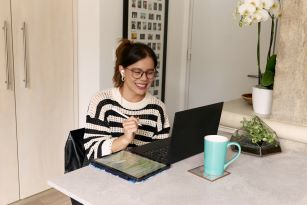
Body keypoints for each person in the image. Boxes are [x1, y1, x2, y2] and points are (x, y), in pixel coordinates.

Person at [84, 39, 170, 160]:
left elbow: (161, 156)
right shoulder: (102, 102)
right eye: (137, 72)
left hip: (143, 175)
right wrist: (125, 139)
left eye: (150, 72)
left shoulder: (158, 109)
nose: (144, 78)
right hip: (106, 174)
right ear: (122, 70)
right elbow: (92, 152)